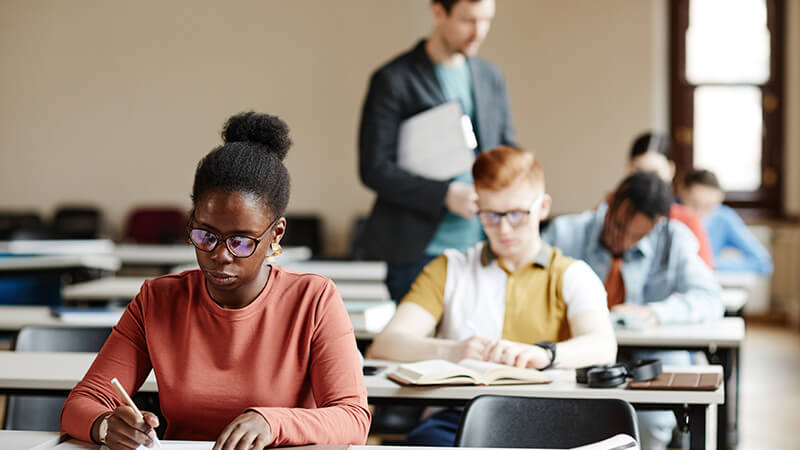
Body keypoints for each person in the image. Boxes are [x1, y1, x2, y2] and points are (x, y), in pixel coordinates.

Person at [60, 112, 370, 449]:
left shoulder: (314, 299)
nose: (220, 255)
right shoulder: (157, 300)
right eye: (205, 235)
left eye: (240, 241)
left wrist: (272, 421)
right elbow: (81, 403)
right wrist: (107, 426)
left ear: (276, 234)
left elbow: (352, 417)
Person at [368, 146, 617, 446]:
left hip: (547, 419)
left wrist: (546, 354)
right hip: (458, 420)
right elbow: (385, 345)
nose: (503, 228)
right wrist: (453, 351)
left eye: (517, 214)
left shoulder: (573, 275)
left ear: (543, 207)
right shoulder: (449, 269)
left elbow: (603, 346)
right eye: (490, 215)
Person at [542, 172, 723, 450]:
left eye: (637, 235)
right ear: (609, 202)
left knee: (652, 423)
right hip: (579, 353)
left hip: (650, 356)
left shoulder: (673, 240)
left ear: (658, 224)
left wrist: (656, 313)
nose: (623, 241)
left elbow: (710, 298)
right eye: (617, 227)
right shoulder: (565, 233)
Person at [358, 0, 516, 302]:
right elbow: (374, 167)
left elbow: (506, 150)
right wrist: (444, 195)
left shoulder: (490, 76)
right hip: (418, 252)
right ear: (438, 13)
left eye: (486, 21)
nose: (479, 32)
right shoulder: (393, 79)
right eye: (468, 21)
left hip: (484, 247)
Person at [626, 132, 715, 268]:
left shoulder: (686, 220)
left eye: (655, 173)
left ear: (670, 170)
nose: (647, 181)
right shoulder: (611, 215)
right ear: (629, 168)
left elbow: (706, 274)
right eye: (639, 171)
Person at [678, 169, 773, 275]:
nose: (700, 214)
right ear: (682, 192)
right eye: (694, 204)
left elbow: (763, 262)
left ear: (719, 199)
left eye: (708, 207)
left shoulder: (724, 218)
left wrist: (710, 263)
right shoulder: (669, 215)